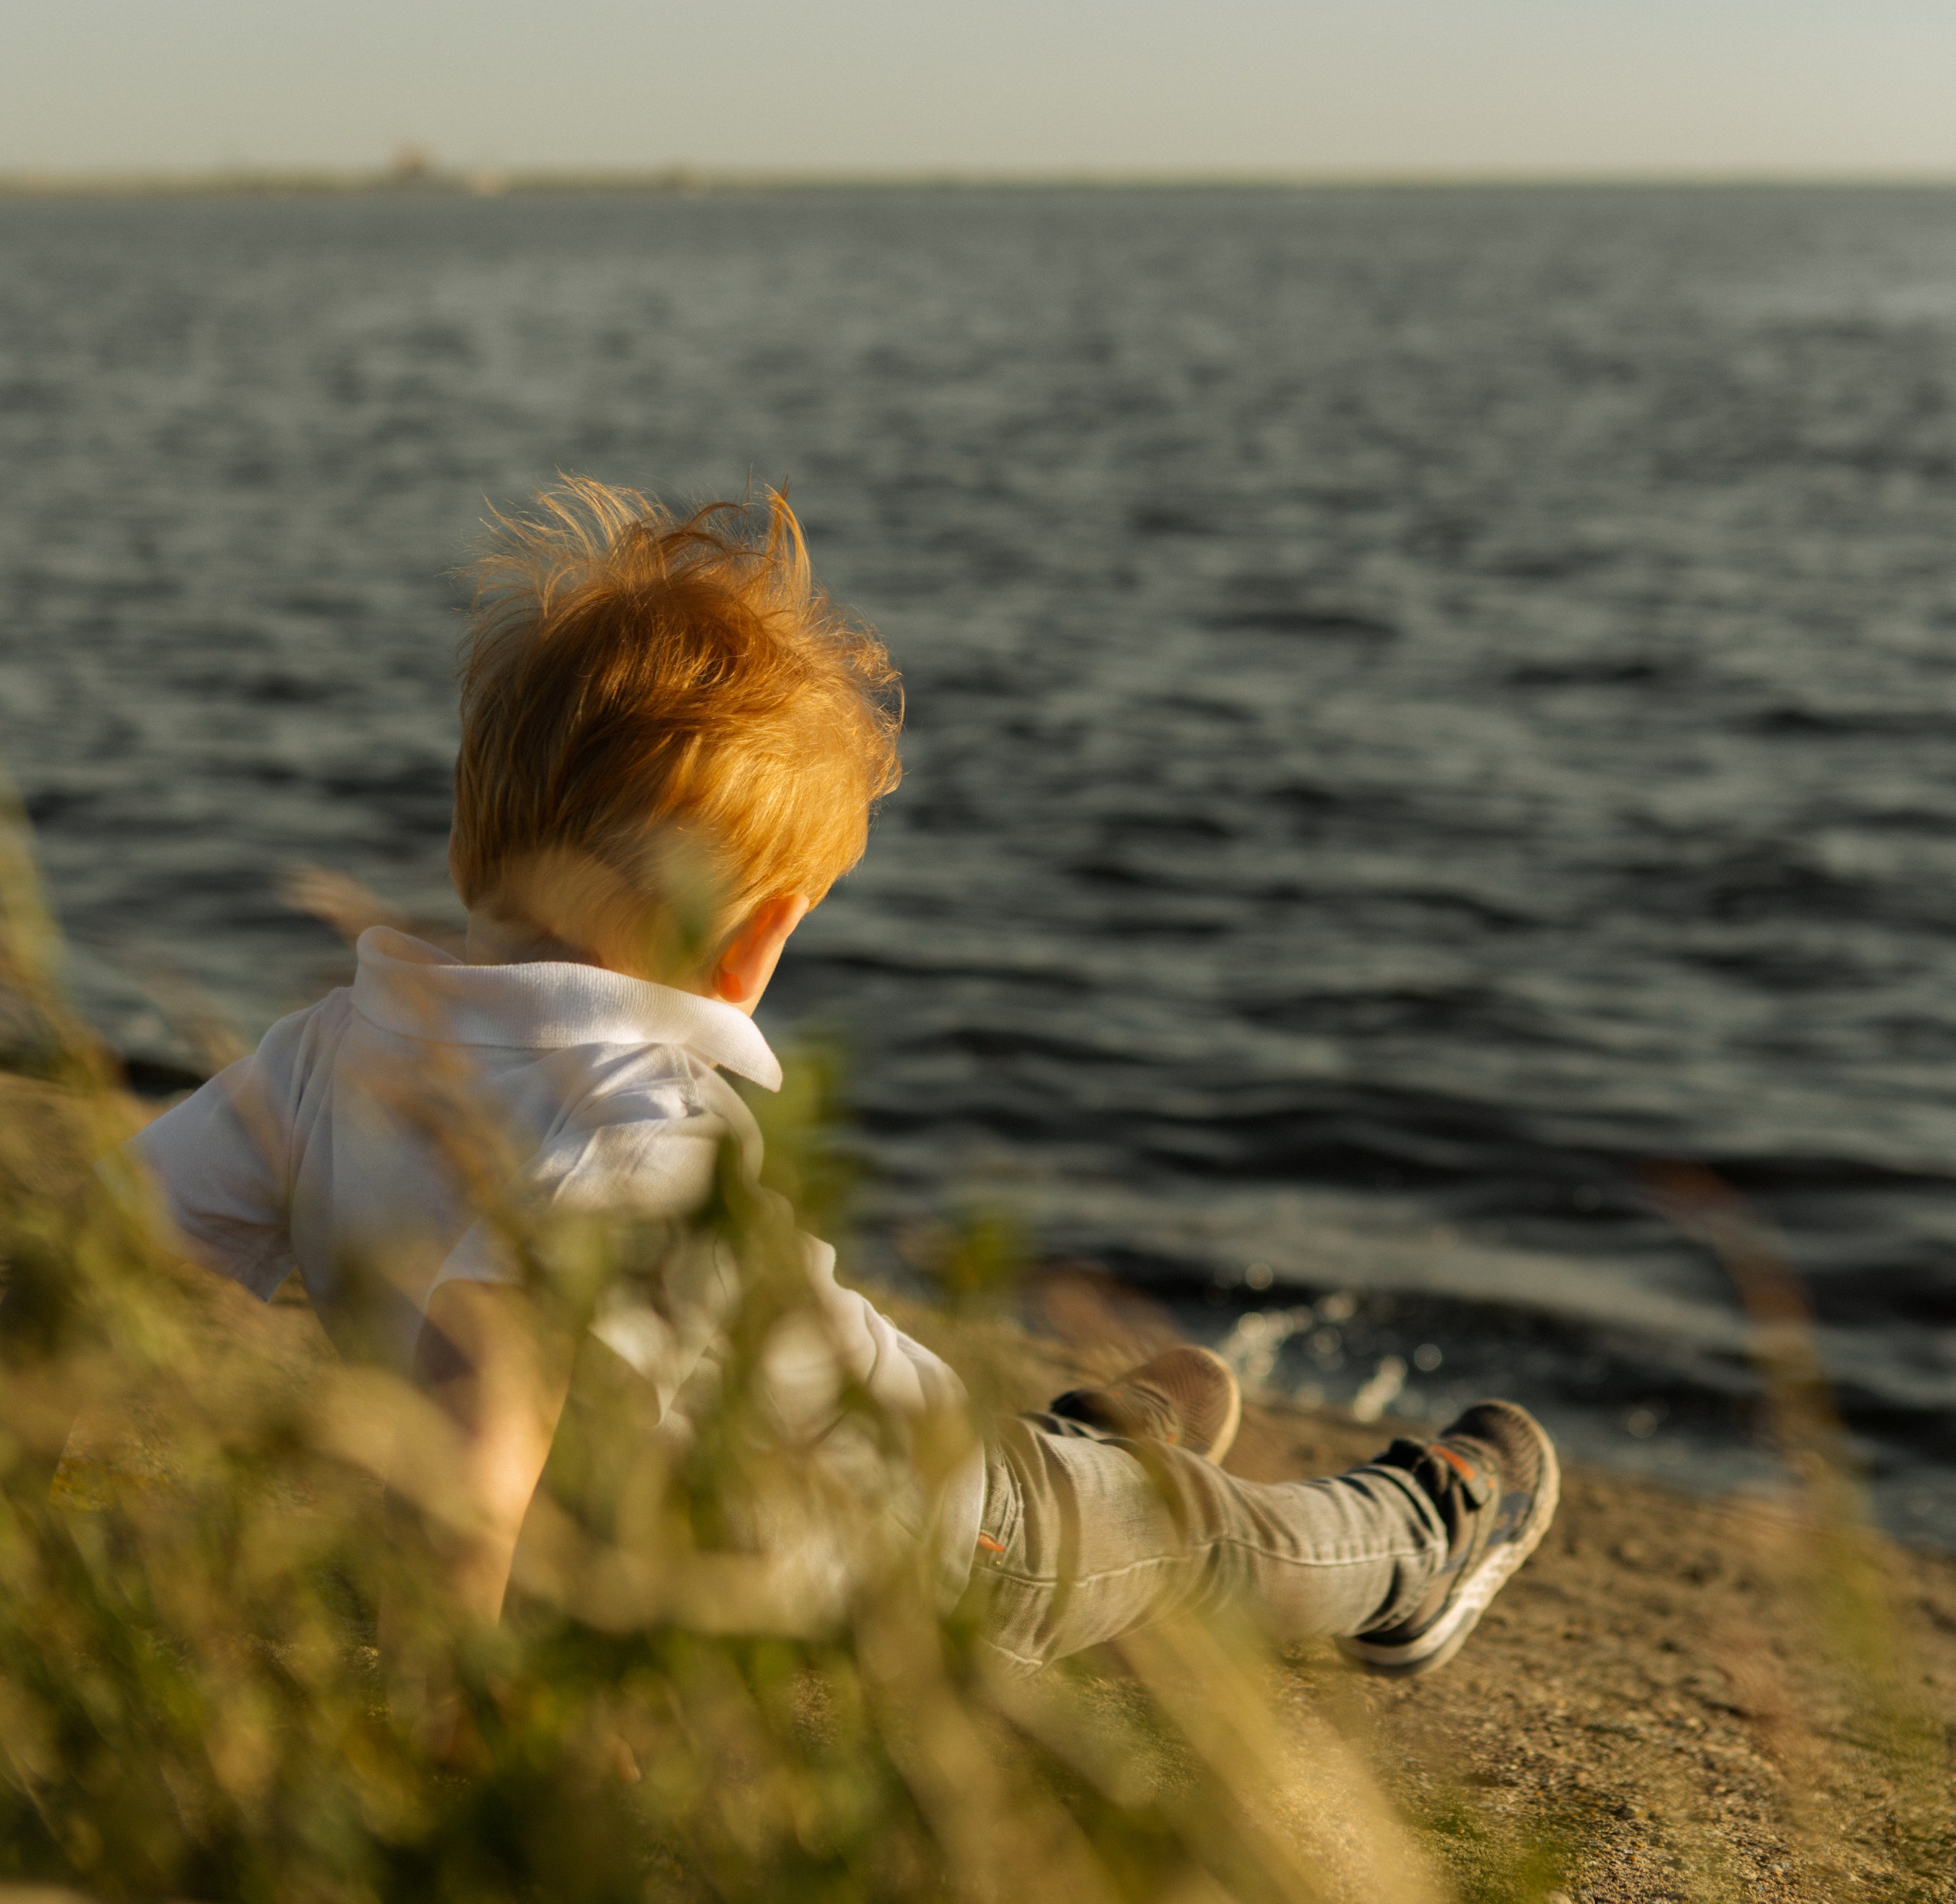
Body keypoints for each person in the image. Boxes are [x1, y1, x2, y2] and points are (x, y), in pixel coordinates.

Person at [128, 481, 1557, 1676]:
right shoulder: (631, 1137)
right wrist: (452, 1716)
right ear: (756, 942)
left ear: (464, 848)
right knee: (1212, 1545)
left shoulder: (322, 1055)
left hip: (785, 1511)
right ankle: (1423, 1539)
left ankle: (1109, 1442)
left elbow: (103, 1240)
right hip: (938, 1545)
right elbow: (482, 1416)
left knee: (1071, 1481)